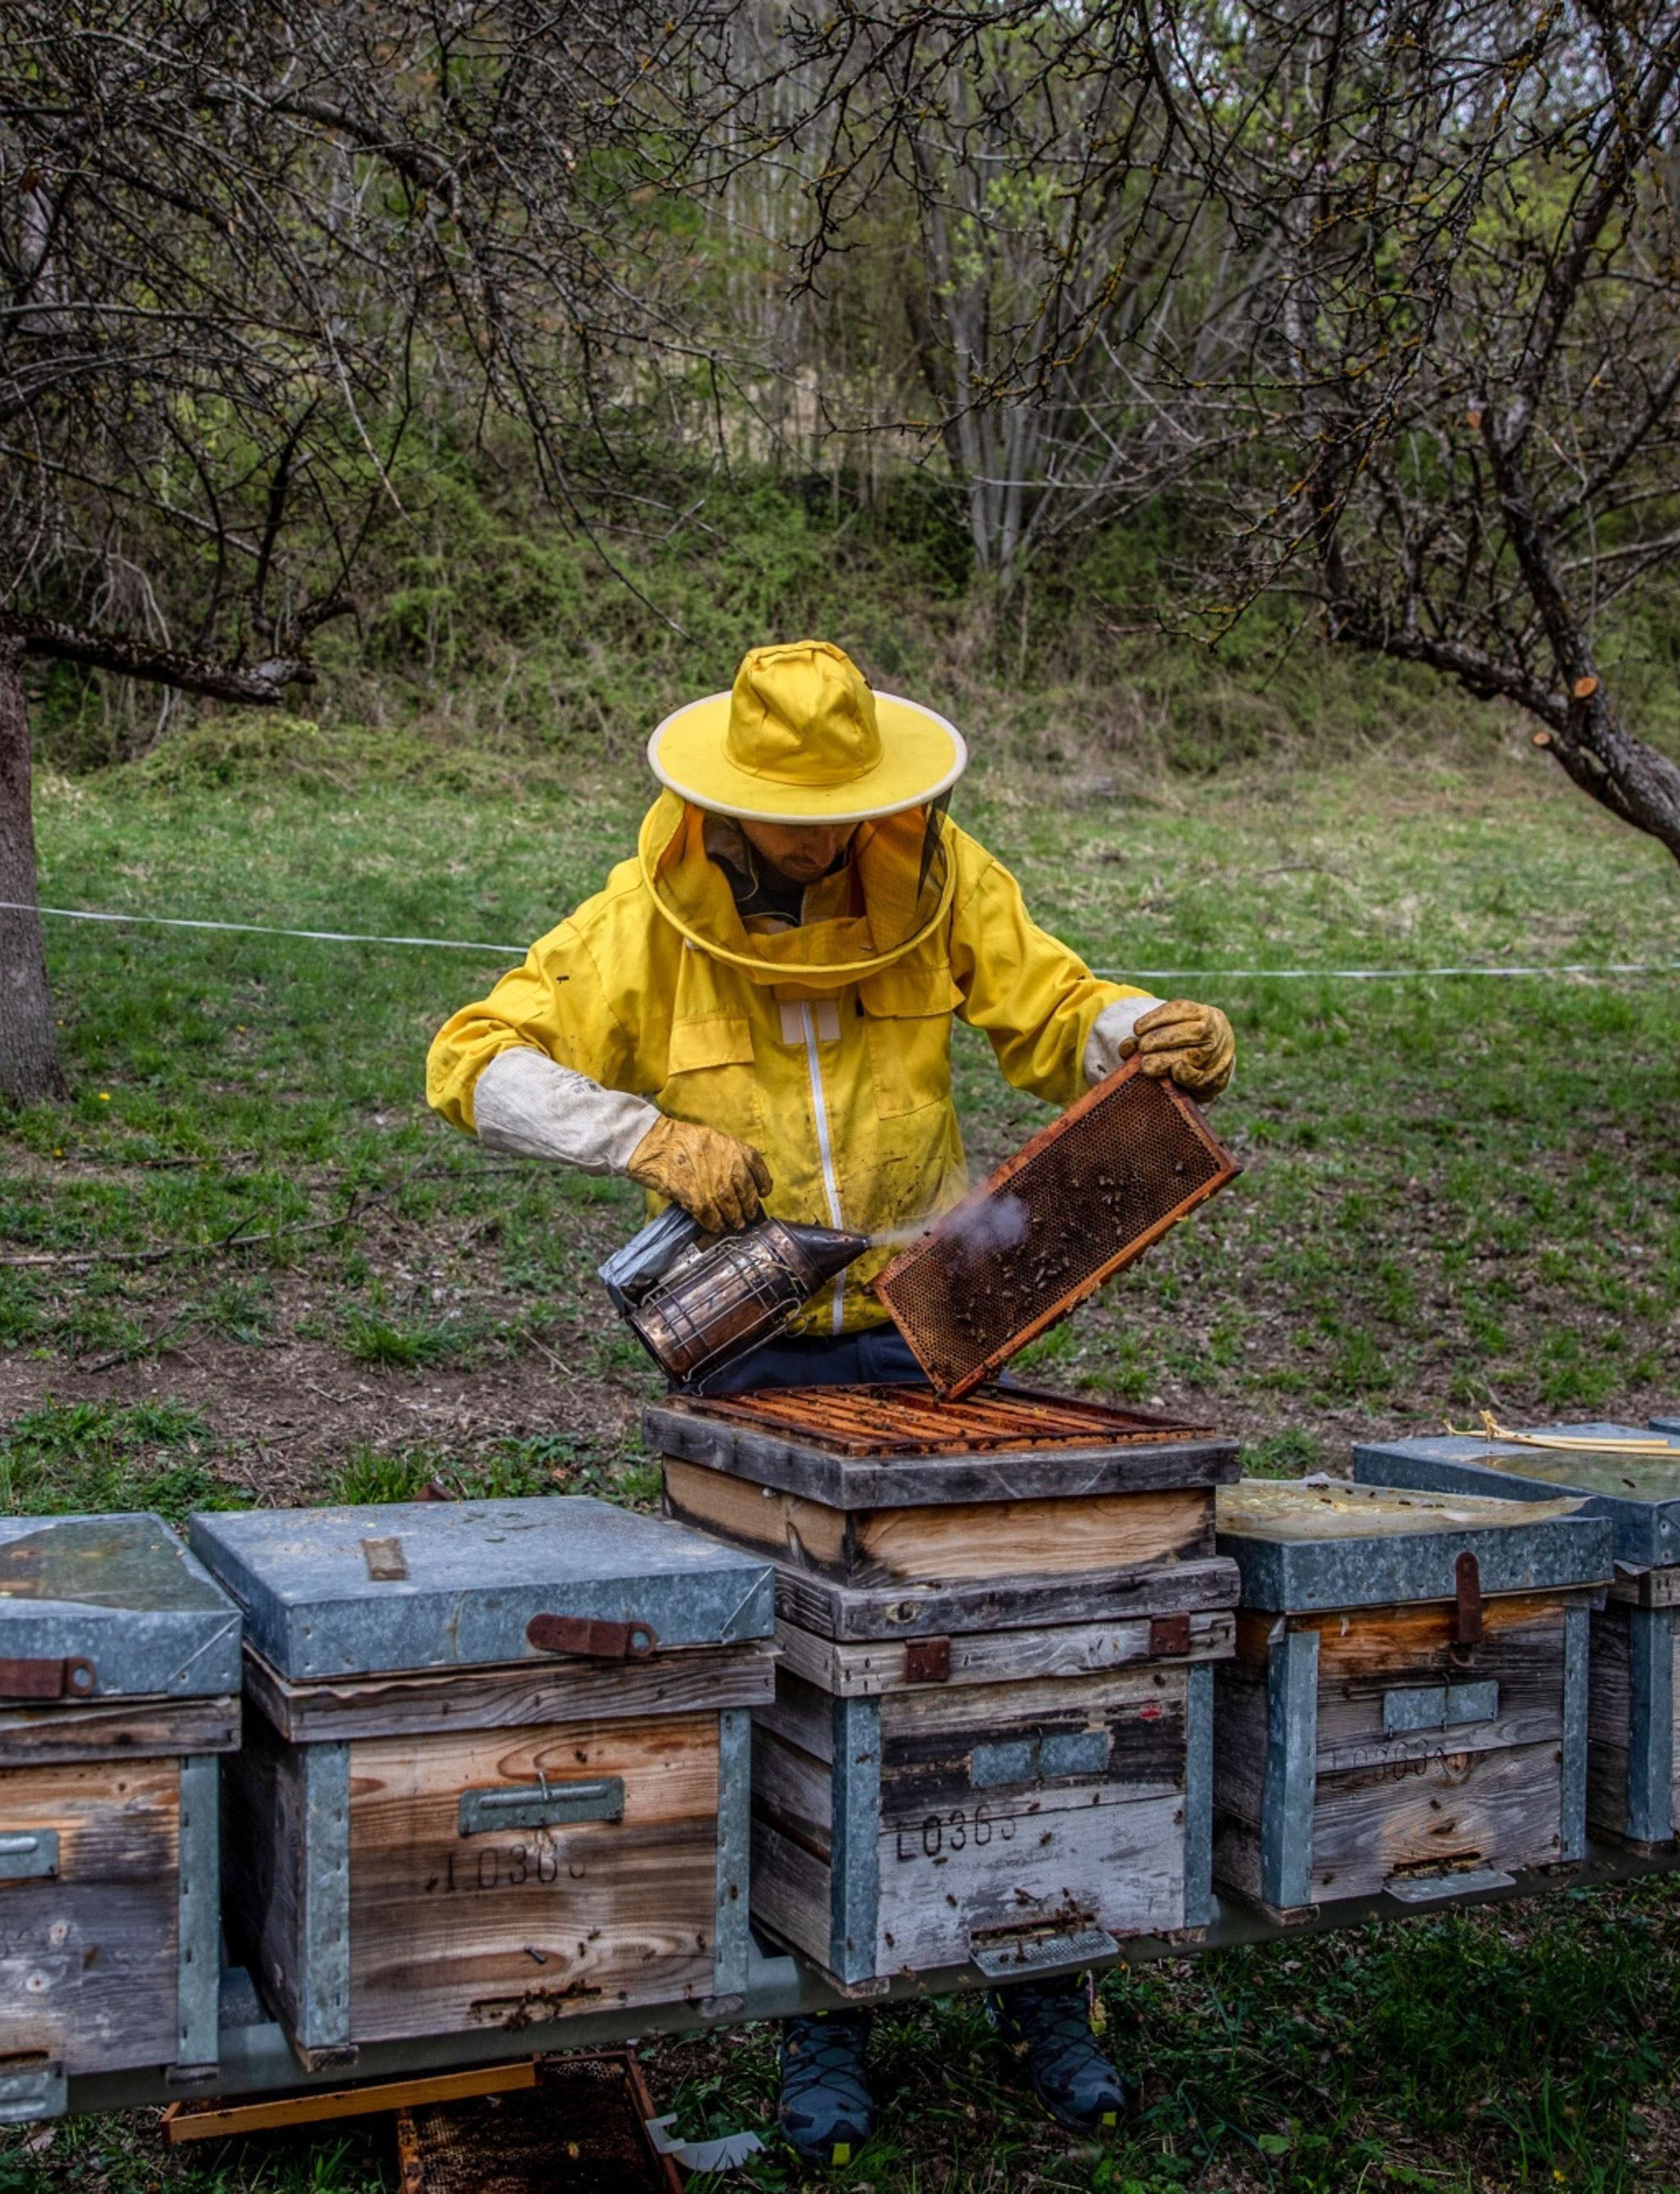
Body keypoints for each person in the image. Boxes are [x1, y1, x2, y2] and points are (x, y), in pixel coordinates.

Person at [424, 638, 1235, 2164]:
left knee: (1008, 1665)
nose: (825, 843)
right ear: (724, 803)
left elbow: (1054, 1011)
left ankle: (1045, 1983)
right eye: (796, 819)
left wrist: (1150, 1031)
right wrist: (639, 1136)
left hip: (933, 1329)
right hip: (756, 1356)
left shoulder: (934, 871)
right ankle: (822, 2024)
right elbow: (472, 1059)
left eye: (847, 813)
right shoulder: (638, 920)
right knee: (804, 1697)